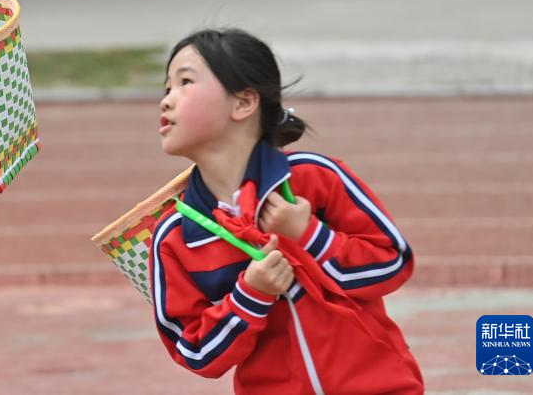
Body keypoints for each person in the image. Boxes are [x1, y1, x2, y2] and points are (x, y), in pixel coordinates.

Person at [150, 28, 423, 394]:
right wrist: (251, 295)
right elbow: (196, 352)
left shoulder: (315, 177)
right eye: (167, 88)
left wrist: (310, 236)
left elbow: (393, 263)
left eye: (185, 82)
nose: (166, 100)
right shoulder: (175, 235)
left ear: (244, 103)